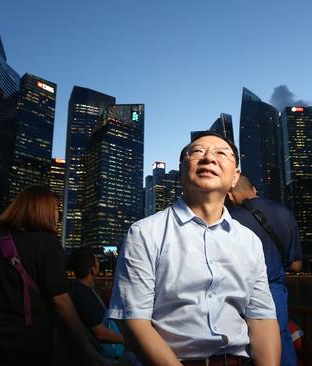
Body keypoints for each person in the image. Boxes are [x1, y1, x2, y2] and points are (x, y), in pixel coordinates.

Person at [108, 131, 281, 366]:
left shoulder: (249, 241)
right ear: (182, 170)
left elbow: (262, 319)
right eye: (197, 152)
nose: (209, 158)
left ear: (234, 177)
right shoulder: (145, 233)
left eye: (221, 153)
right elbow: (133, 320)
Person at [0, 185, 103, 366]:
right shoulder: (47, 243)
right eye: (56, 209)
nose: (58, 215)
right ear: (43, 211)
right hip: (25, 346)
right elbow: (60, 300)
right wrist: (86, 347)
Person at [227, 176, 303, 366]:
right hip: (275, 293)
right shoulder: (284, 212)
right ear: (254, 189)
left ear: (229, 194)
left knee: (244, 351)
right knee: (281, 344)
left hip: (240, 294)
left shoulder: (229, 219)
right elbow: (296, 265)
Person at [68, 247, 124, 345]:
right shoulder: (84, 296)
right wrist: (131, 342)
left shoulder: (77, 289)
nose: (99, 264)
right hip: (100, 354)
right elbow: (101, 333)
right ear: (92, 270)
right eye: (97, 261)